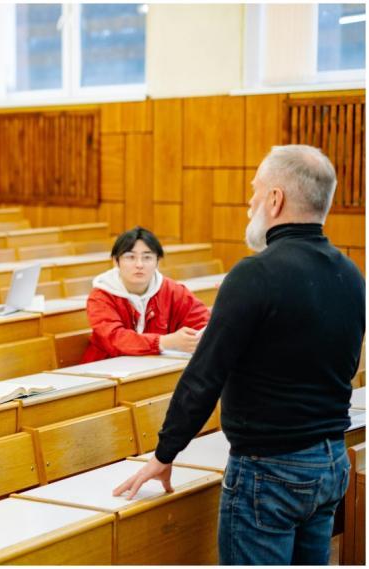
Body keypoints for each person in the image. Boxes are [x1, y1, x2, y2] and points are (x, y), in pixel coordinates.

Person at [114, 145, 365, 565]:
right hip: (330, 460)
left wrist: (164, 454)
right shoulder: (350, 272)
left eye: (255, 190)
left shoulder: (255, 273)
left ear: (275, 199)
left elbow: (204, 375)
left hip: (270, 472)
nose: (250, 202)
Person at [81, 226, 210, 363]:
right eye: (130, 257)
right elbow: (115, 339)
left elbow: (202, 323)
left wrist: (193, 340)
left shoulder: (173, 291)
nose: (139, 265)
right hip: (107, 368)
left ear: (157, 262)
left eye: (147, 257)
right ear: (116, 261)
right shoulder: (101, 296)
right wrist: (165, 342)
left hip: (154, 367)